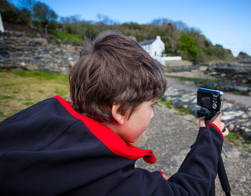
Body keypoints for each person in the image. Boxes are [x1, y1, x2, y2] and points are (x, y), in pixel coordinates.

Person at [0, 31, 228, 195]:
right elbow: (186, 192)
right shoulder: (109, 182)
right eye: (151, 106)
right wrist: (212, 137)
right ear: (119, 111)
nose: (152, 115)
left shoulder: (41, 112)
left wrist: (153, 183)